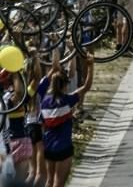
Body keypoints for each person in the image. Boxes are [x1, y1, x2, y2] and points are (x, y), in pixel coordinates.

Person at [38, 50, 94, 187]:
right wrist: (91, 66)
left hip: (48, 147)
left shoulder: (44, 102)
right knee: (59, 184)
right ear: (65, 85)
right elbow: (86, 87)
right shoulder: (67, 100)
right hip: (64, 146)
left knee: (49, 181)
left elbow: (42, 125)